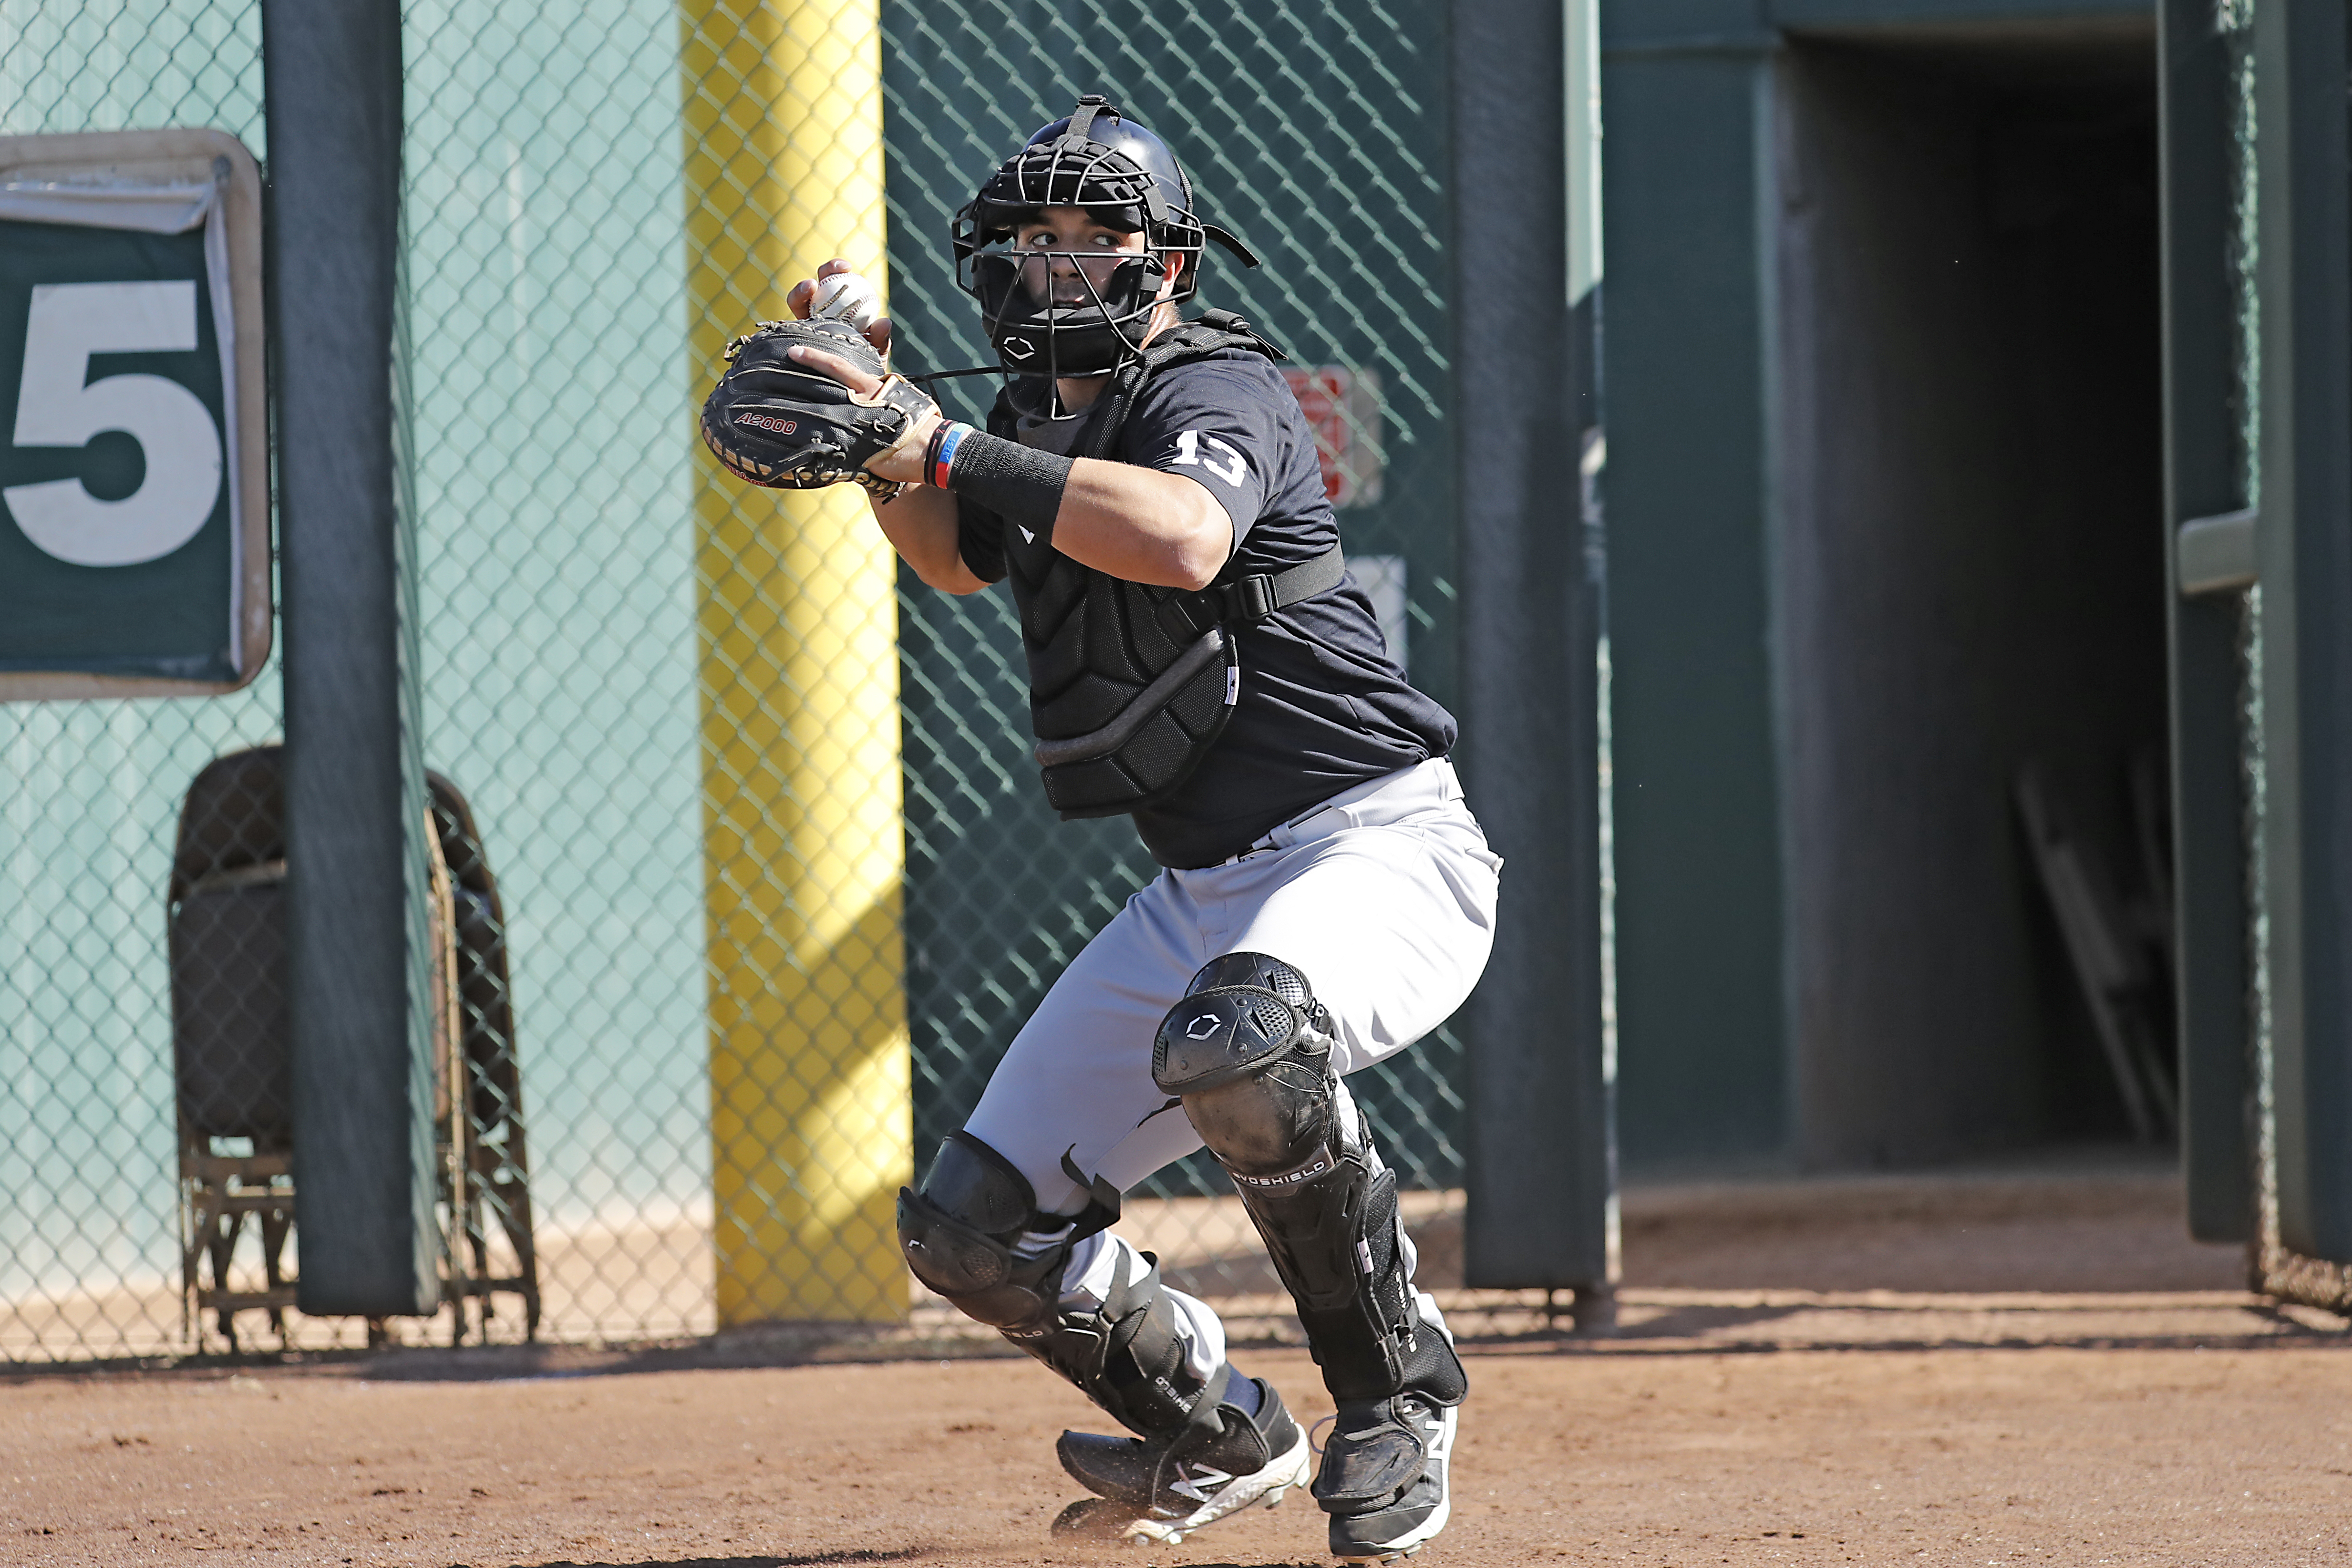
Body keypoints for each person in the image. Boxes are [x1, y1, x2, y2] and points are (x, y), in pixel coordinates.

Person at [780, 94, 1500, 1564]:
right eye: (1034, 238)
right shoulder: (1030, 417)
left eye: (1096, 236)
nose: (1061, 266)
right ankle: (1218, 1428)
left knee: (1242, 1042)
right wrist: (875, 423)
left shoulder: (1208, 384)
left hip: (1376, 846)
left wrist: (943, 441)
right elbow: (953, 562)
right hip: (1204, 887)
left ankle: (1394, 1398)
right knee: (975, 1230)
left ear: (1162, 260)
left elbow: (1179, 536)